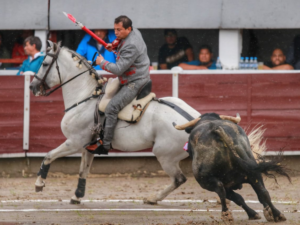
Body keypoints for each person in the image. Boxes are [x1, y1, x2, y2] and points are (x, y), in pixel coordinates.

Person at [86, 15, 150, 154]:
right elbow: (121, 41)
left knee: (112, 107)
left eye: (119, 30)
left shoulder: (131, 45)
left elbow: (118, 69)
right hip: (133, 76)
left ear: (128, 29)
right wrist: (114, 44)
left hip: (135, 81)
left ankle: (106, 145)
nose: (116, 33)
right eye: (115, 29)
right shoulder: (134, 31)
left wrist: (101, 62)